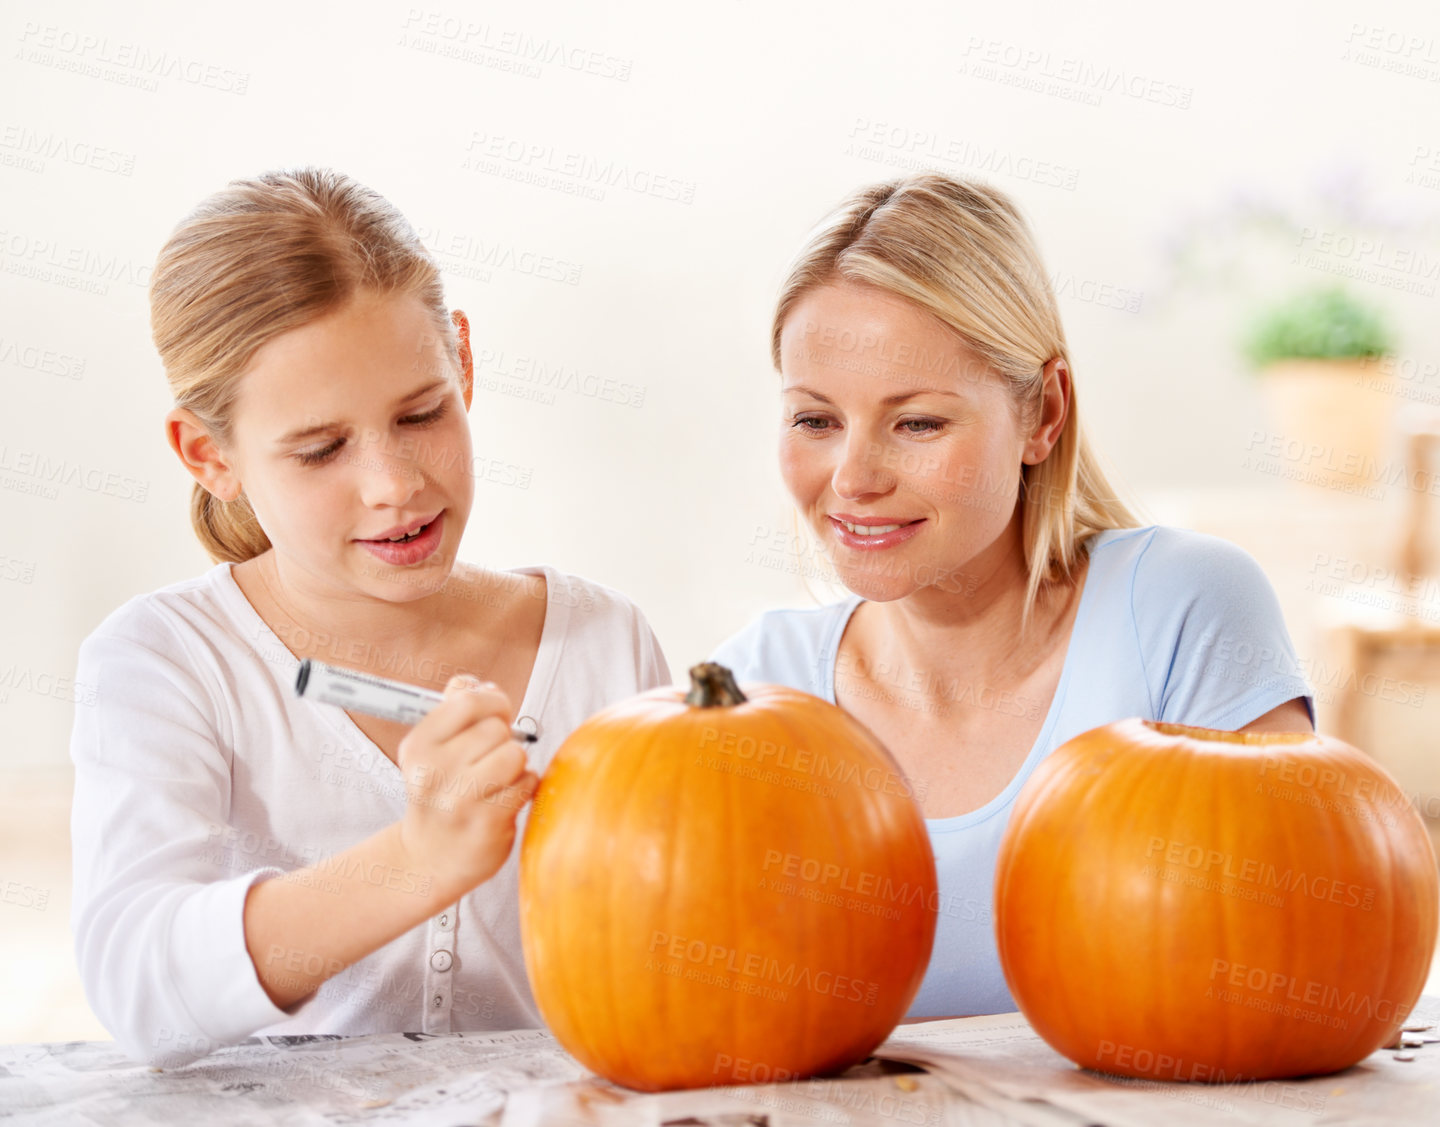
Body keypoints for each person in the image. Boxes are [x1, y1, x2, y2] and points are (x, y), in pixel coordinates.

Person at [69, 168, 670, 1066]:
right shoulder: (165, 660)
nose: (395, 484)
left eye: (421, 413)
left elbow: (681, 952)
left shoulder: (601, 644)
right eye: (320, 449)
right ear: (209, 454)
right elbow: (139, 984)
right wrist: (416, 860)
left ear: (462, 360)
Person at [711, 172, 1316, 1020]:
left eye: (916, 423)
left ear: (1043, 413)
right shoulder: (750, 688)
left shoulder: (1181, 611)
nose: (852, 478)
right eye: (815, 421)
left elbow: (1303, 949)